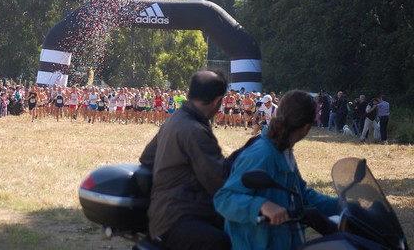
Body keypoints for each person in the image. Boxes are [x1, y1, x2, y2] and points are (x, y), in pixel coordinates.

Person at [214, 90, 339, 250]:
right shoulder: (262, 154)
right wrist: (261, 205)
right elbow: (223, 199)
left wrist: (341, 204)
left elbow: (301, 195)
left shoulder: (283, 150)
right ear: (306, 128)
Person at [139, 70, 230, 250]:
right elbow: (218, 182)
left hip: (164, 212)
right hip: (181, 216)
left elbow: (147, 158)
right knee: (221, 243)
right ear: (217, 101)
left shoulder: (176, 119)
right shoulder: (195, 130)